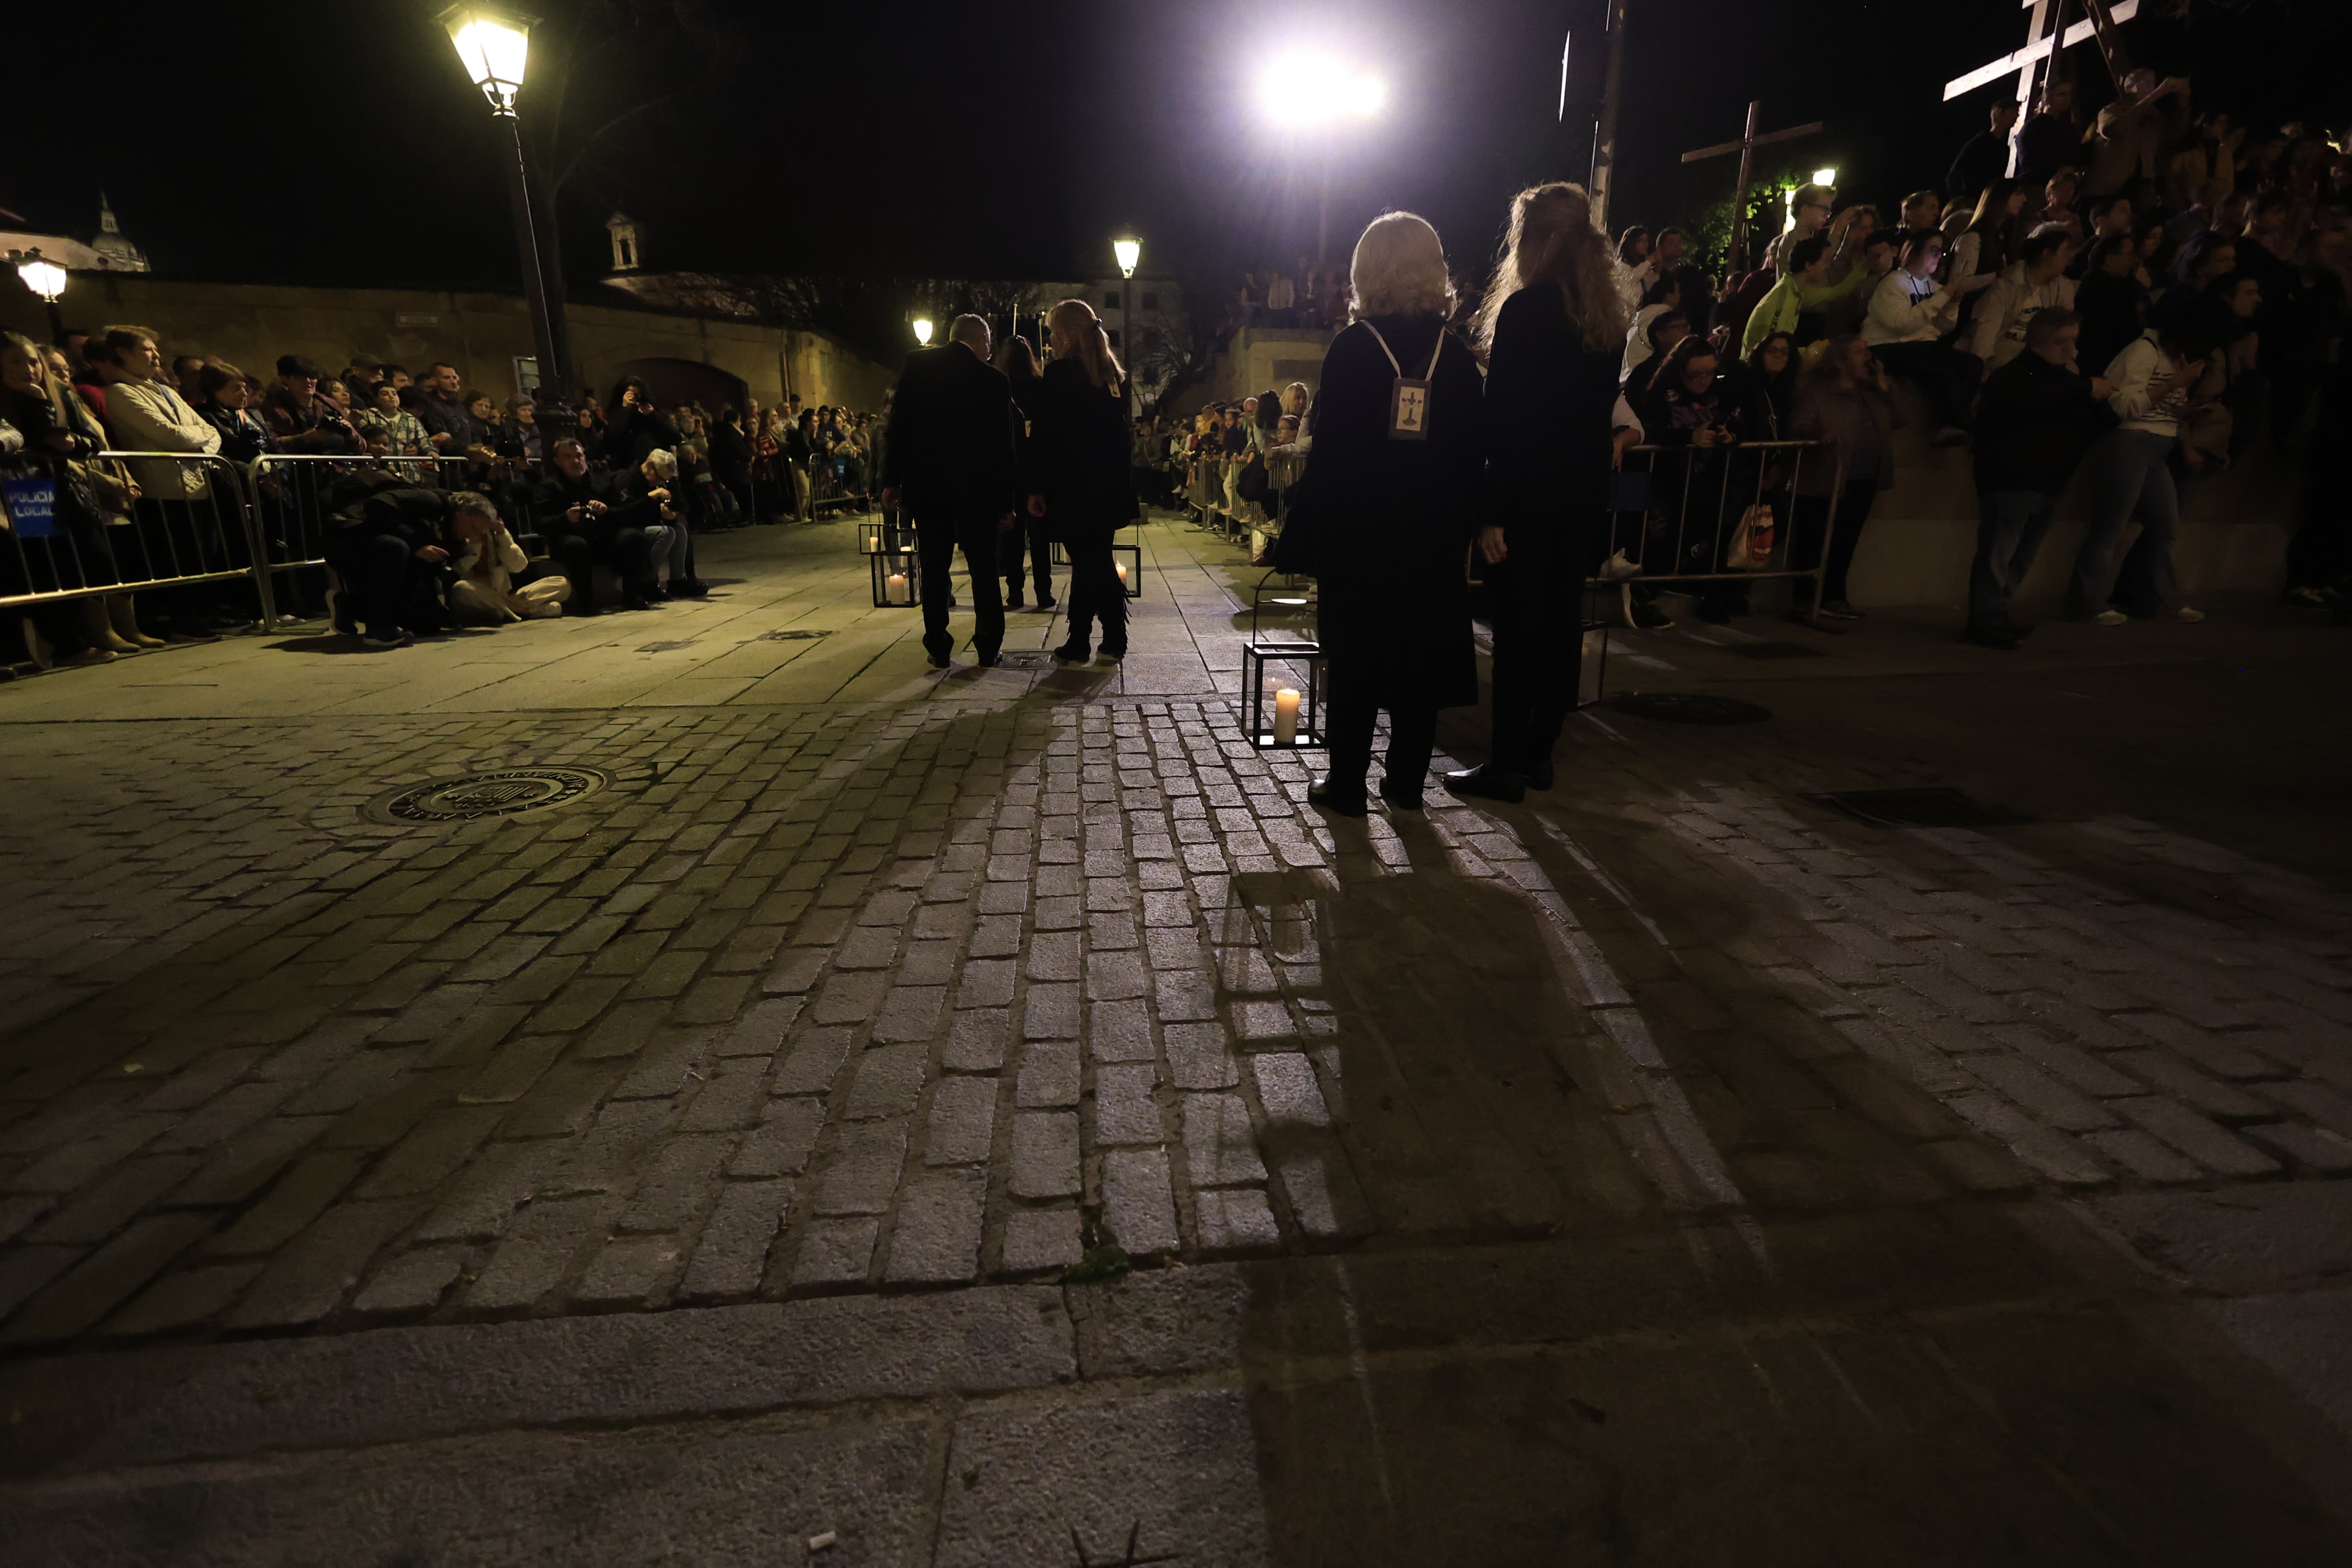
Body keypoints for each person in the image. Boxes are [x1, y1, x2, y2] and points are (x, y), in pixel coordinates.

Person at [1276, 211, 1484, 816]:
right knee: (1421, 658)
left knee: (1358, 659)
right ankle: (1407, 784)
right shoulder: (1459, 358)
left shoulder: (1354, 349)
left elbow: (1333, 453)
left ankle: (1346, 785)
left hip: (1363, 534)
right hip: (1434, 533)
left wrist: (1298, 539)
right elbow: (1475, 450)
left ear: (1368, 271)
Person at [1447, 182, 1623, 804]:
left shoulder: (1527, 311)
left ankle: (1505, 764)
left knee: (1518, 632)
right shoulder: (1606, 318)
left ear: (1539, 240)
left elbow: (1509, 421)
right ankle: (1540, 753)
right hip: (1579, 493)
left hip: (1526, 493)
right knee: (1559, 626)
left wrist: (1491, 510)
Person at [1965, 309, 2113, 647]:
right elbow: (2035, 403)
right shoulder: (2014, 377)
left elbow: (2091, 421)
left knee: (2022, 556)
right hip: (2011, 479)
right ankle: (1985, 618)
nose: (2069, 349)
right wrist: (2086, 389)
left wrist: (2101, 404)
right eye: (2062, 341)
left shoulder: (2066, 382)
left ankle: (1999, 610)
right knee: (1997, 553)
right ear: (2040, 342)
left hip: (2048, 481)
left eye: (2073, 341)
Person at [882, 314, 1020, 669]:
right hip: (979, 489)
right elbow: (1002, 447)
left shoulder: (918, 365)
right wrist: (1006, 502)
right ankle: (988, 645)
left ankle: (939, 644)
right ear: (979, 340)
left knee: (934, 566)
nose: (989, 351)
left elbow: (899, 426)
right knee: (983, 569)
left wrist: (891, 480)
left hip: (929, 486)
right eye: (988, 343)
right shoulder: (994, 380)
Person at [2070, 317, 2214, 624]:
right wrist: (2173, 384)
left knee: (2166, 524)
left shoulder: (2178, 357)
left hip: (2160, 444)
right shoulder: (2143, 351)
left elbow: (2164, 402)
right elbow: (2124, 404)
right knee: (2112, 525)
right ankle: (2088, 601)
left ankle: (2160, 596)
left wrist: (2183, 410)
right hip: (2131, 439)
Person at [1026, 299, 1137, 665]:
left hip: (1075, 487)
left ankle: (1083, 639)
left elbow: (1046, 437)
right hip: (1105, 487)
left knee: (1089, 562)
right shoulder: (1112, 378)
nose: (1050, 341)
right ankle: (1111, 635)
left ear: (1068, 335)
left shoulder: (1062, 375)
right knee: (1096, 560)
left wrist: (1037, 486)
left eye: (1053, 333)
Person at [1789, 335, 1901, 622]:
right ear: (1840, 360)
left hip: (1864, 478)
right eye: (1859, 352)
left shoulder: (1872, 391)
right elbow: (1800, 425)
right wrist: (1820, 437)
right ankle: (1804, 600)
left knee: (1846, 540)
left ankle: (1834, 596)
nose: (1868, 357)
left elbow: (1900, 420)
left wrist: (1884, 388)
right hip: (1827, 476)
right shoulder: (1817, 391)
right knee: (1813, 540)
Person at [1862, 231, 1979, 442]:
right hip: (1888, 346)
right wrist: (1944, 296)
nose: (1939, 256)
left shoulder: (1933, 287)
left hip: (1921, 346)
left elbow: (1943, 328)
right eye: (1933, 250)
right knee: (1941, 371)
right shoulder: (1893, 283)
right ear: (1914, 252)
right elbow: (1901, 325)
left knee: (1973, 365)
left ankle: (1954, 424)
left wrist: (1952, 303)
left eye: (1941, 251)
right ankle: (1956, 425)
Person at [322, 477, 466, 646]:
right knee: (397, 547)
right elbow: (377, 505)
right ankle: (379, 629)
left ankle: (349, 606)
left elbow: (428, 572)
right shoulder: (430, 501)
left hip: (376, 543)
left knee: (428, 625)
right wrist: (417, 545)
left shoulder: (451, 533)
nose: (472, 536)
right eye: (474, 527)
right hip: (348, 536)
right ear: (462, 512)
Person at [531, 437, 656, 614]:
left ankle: (632, 594)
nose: (576, 461)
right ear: (557, 462)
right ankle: (586, 602)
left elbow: (624, 514)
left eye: (579, 456)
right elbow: (540, 523)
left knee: (633, 537)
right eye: (568, 457)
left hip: (600, 537)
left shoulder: (601, 482)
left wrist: (607, 510)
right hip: (568, 540)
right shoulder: (549, 487)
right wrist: (565, 518)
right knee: (576, 545)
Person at [992, 334, 1053, 609]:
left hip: (1010, 469)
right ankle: (1043, 590)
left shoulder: (998, 387)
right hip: (1038, 466)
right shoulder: (1041, 387)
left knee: (1012, 535)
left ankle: (1015, 591)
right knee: (1040, 535)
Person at [1966, 226, 2080, 369]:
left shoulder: (2062, 287)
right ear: (2046, 254)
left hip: (2043, 351)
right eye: (2065, 252)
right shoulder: (2008, 285)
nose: (2070, 257)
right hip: (2005, 349)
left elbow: (2067, 326)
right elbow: (1986, 329)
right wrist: (1981, 366)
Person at [1741, 236, 1871, 355]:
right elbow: (1777, 349)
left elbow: (1837, 293)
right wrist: (1814, 352)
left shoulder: (1796, 290)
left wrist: (1866, 265)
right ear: (1809, 265)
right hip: (1758, 368)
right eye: (1825, 261)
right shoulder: (1784, 298)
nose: (1828, 266)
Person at [447, 496, 566, 624]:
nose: (478, 532)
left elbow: (519, 566)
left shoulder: (493, 533)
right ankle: (526, 612)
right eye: (475, 527)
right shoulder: (457, 534)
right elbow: (457, 573)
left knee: (562, 583)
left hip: (504, 598)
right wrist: (474, 546)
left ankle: (508, 611)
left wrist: (503, 535)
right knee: (461, 588)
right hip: (474, 600)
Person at [1950, 102, 2020, 213]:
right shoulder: (1979, 143)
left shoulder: (2004, 148)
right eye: (2012, 112)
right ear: (1999, 114)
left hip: (1990, 203)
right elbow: (1954, 175)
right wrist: (1962, 201)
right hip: (1974, 201)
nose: (2017, 116)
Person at [2015, 78, 2084, 191]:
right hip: (2036, 186)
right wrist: (2057, 169)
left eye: (2069, 95)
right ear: (2049, 98)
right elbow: (2027, 160)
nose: (2067, 99)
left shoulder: (2068, 128)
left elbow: (2077, 154)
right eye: (2062, 94)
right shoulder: (2033, 126)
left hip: (2062, 188)